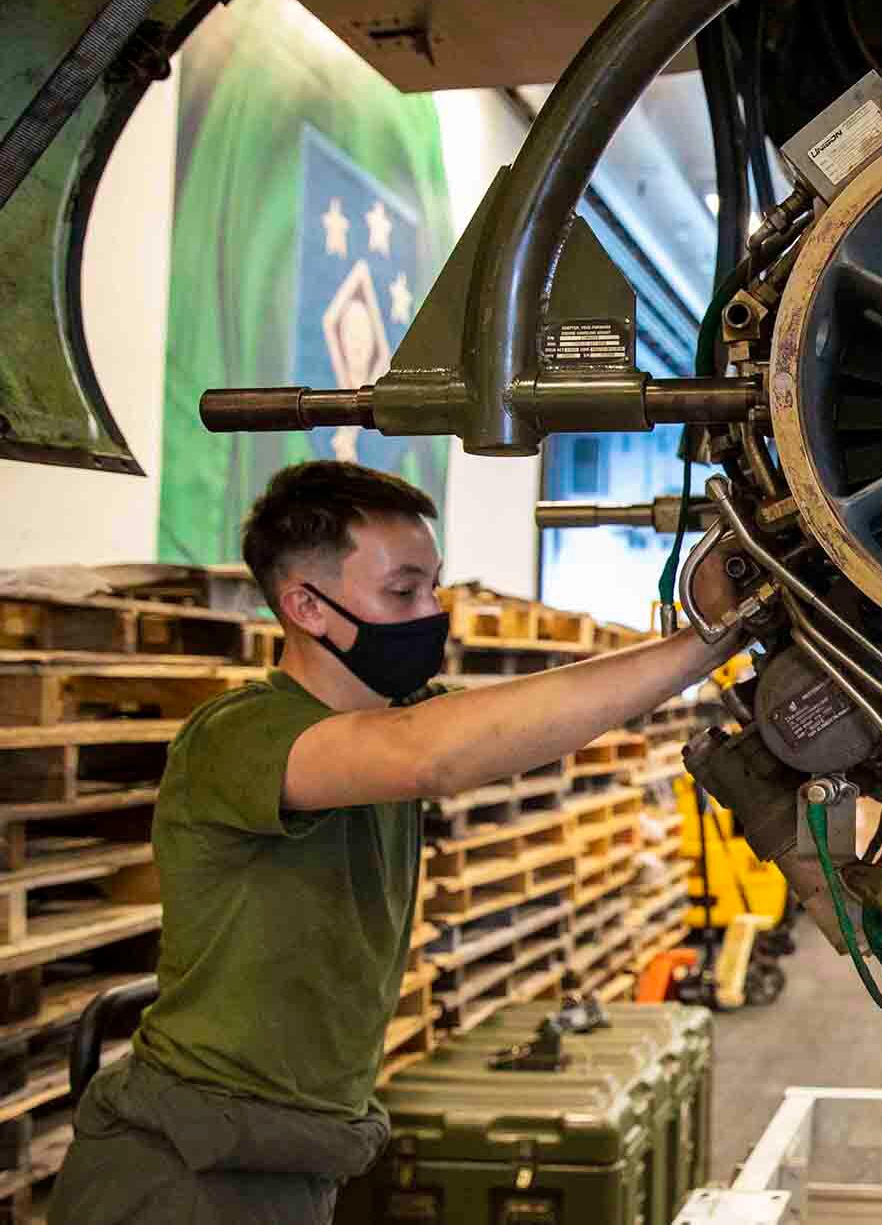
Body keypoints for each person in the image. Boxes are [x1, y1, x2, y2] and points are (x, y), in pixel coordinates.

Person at [50, 460, 741, 1223]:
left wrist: (710, 621)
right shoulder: (238, 734)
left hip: (295, 1155)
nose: (431, 612)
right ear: (307, 607)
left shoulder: (400, 714)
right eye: (402, 590)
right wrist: (704, 649)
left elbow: (522, 719)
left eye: (433, 586)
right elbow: (430, 753)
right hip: (184, 1167)